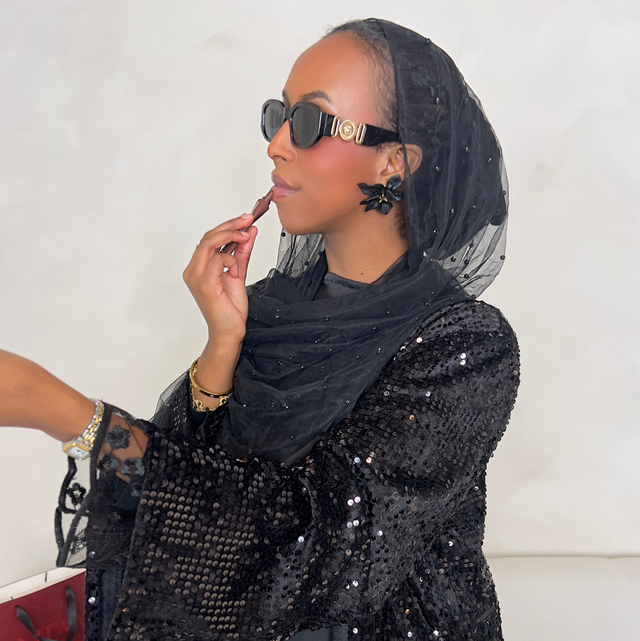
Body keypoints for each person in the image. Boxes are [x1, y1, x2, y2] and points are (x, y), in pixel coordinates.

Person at [0, 17, 520, 641]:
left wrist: (61, 411)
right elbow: (184, 503)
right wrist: (222, 347)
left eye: (308, 122)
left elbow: (319, 543)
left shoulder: (464, 346)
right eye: (278, 116)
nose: (275, 145)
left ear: (394, 162)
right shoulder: (271, 306)